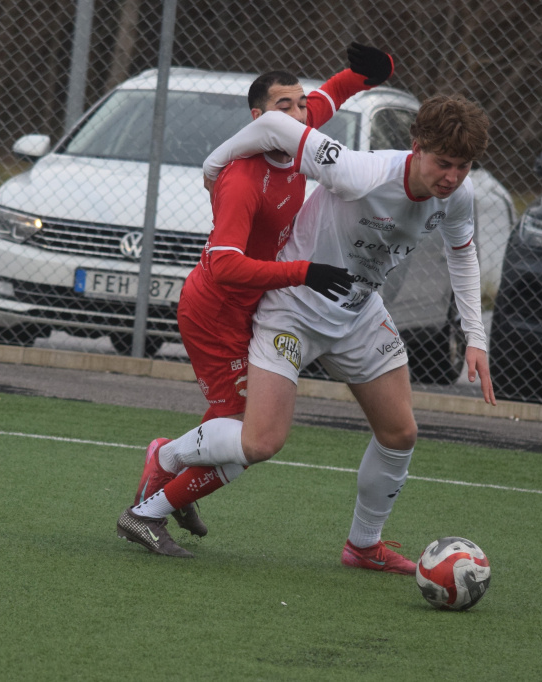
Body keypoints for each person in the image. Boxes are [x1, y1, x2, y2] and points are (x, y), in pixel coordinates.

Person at [121, 92, 496, 571]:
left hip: (358, 313)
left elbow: (462, 254)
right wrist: (213, 166)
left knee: (400, 433)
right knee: (260, 442)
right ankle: (165, 463)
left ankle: (363, 546)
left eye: (463, 167)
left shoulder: (458, 196)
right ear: (416, 146)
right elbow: (274, 126)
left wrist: (475, 337)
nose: (452, 177)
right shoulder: (359, 171)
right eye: (443, 163)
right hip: (294, 309)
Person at [116, 43, 396, 558]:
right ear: (258, 120)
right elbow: (224, 265)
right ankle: (155, 489)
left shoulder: (299, 137)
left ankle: (167, 487)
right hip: (215, 312)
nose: (298, 115)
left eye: (300, 105)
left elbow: (331, 94)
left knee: (243, 428)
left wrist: (368, 74)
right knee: (250, 433)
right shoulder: (243, 178)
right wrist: (304, 272)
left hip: (252, 306)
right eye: (283, 107)